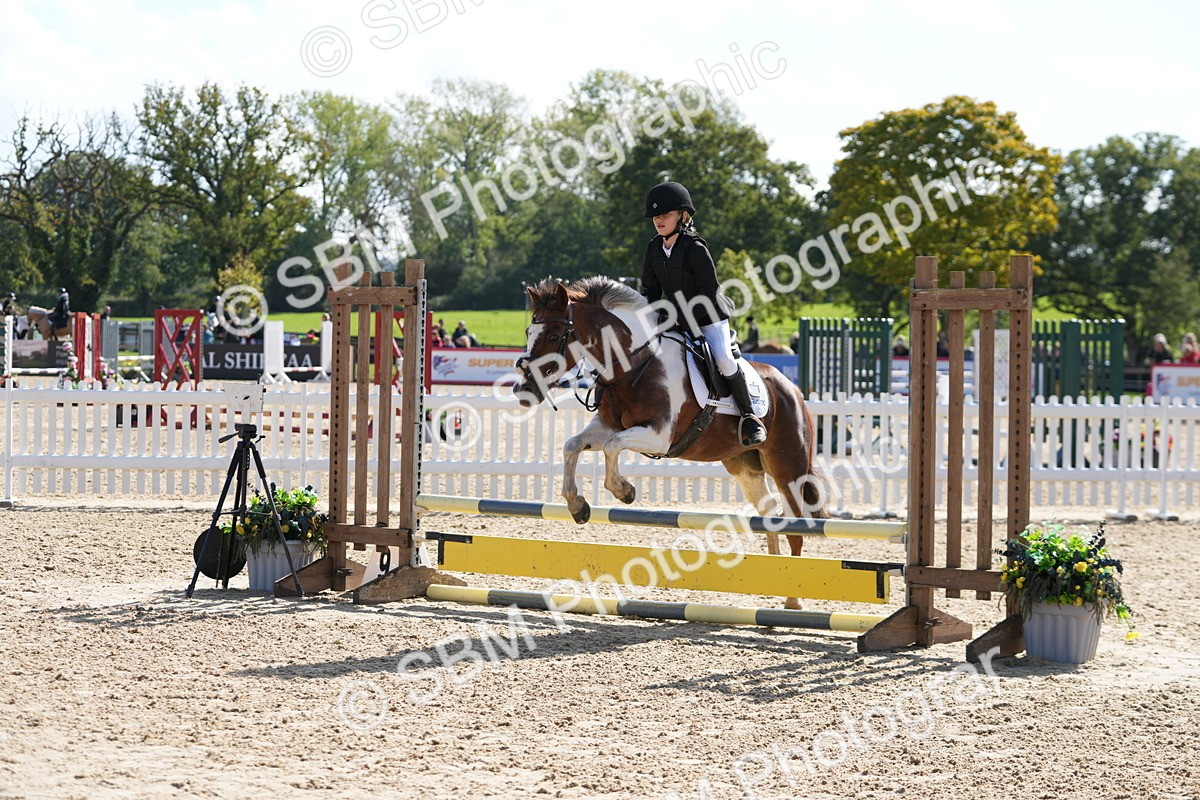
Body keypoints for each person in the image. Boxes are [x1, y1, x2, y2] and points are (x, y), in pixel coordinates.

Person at [640, 181, 765, 446]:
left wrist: (679, 318)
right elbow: (650, 291)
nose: (659, 220)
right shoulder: (653, 249)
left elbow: (708, 292)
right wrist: (648, 318)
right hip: (675, 319)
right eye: (655, 216)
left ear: (682, 216)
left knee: (724, 360)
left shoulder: (695, 248)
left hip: (708, 317)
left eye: (665, 214)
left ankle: (750, 417)